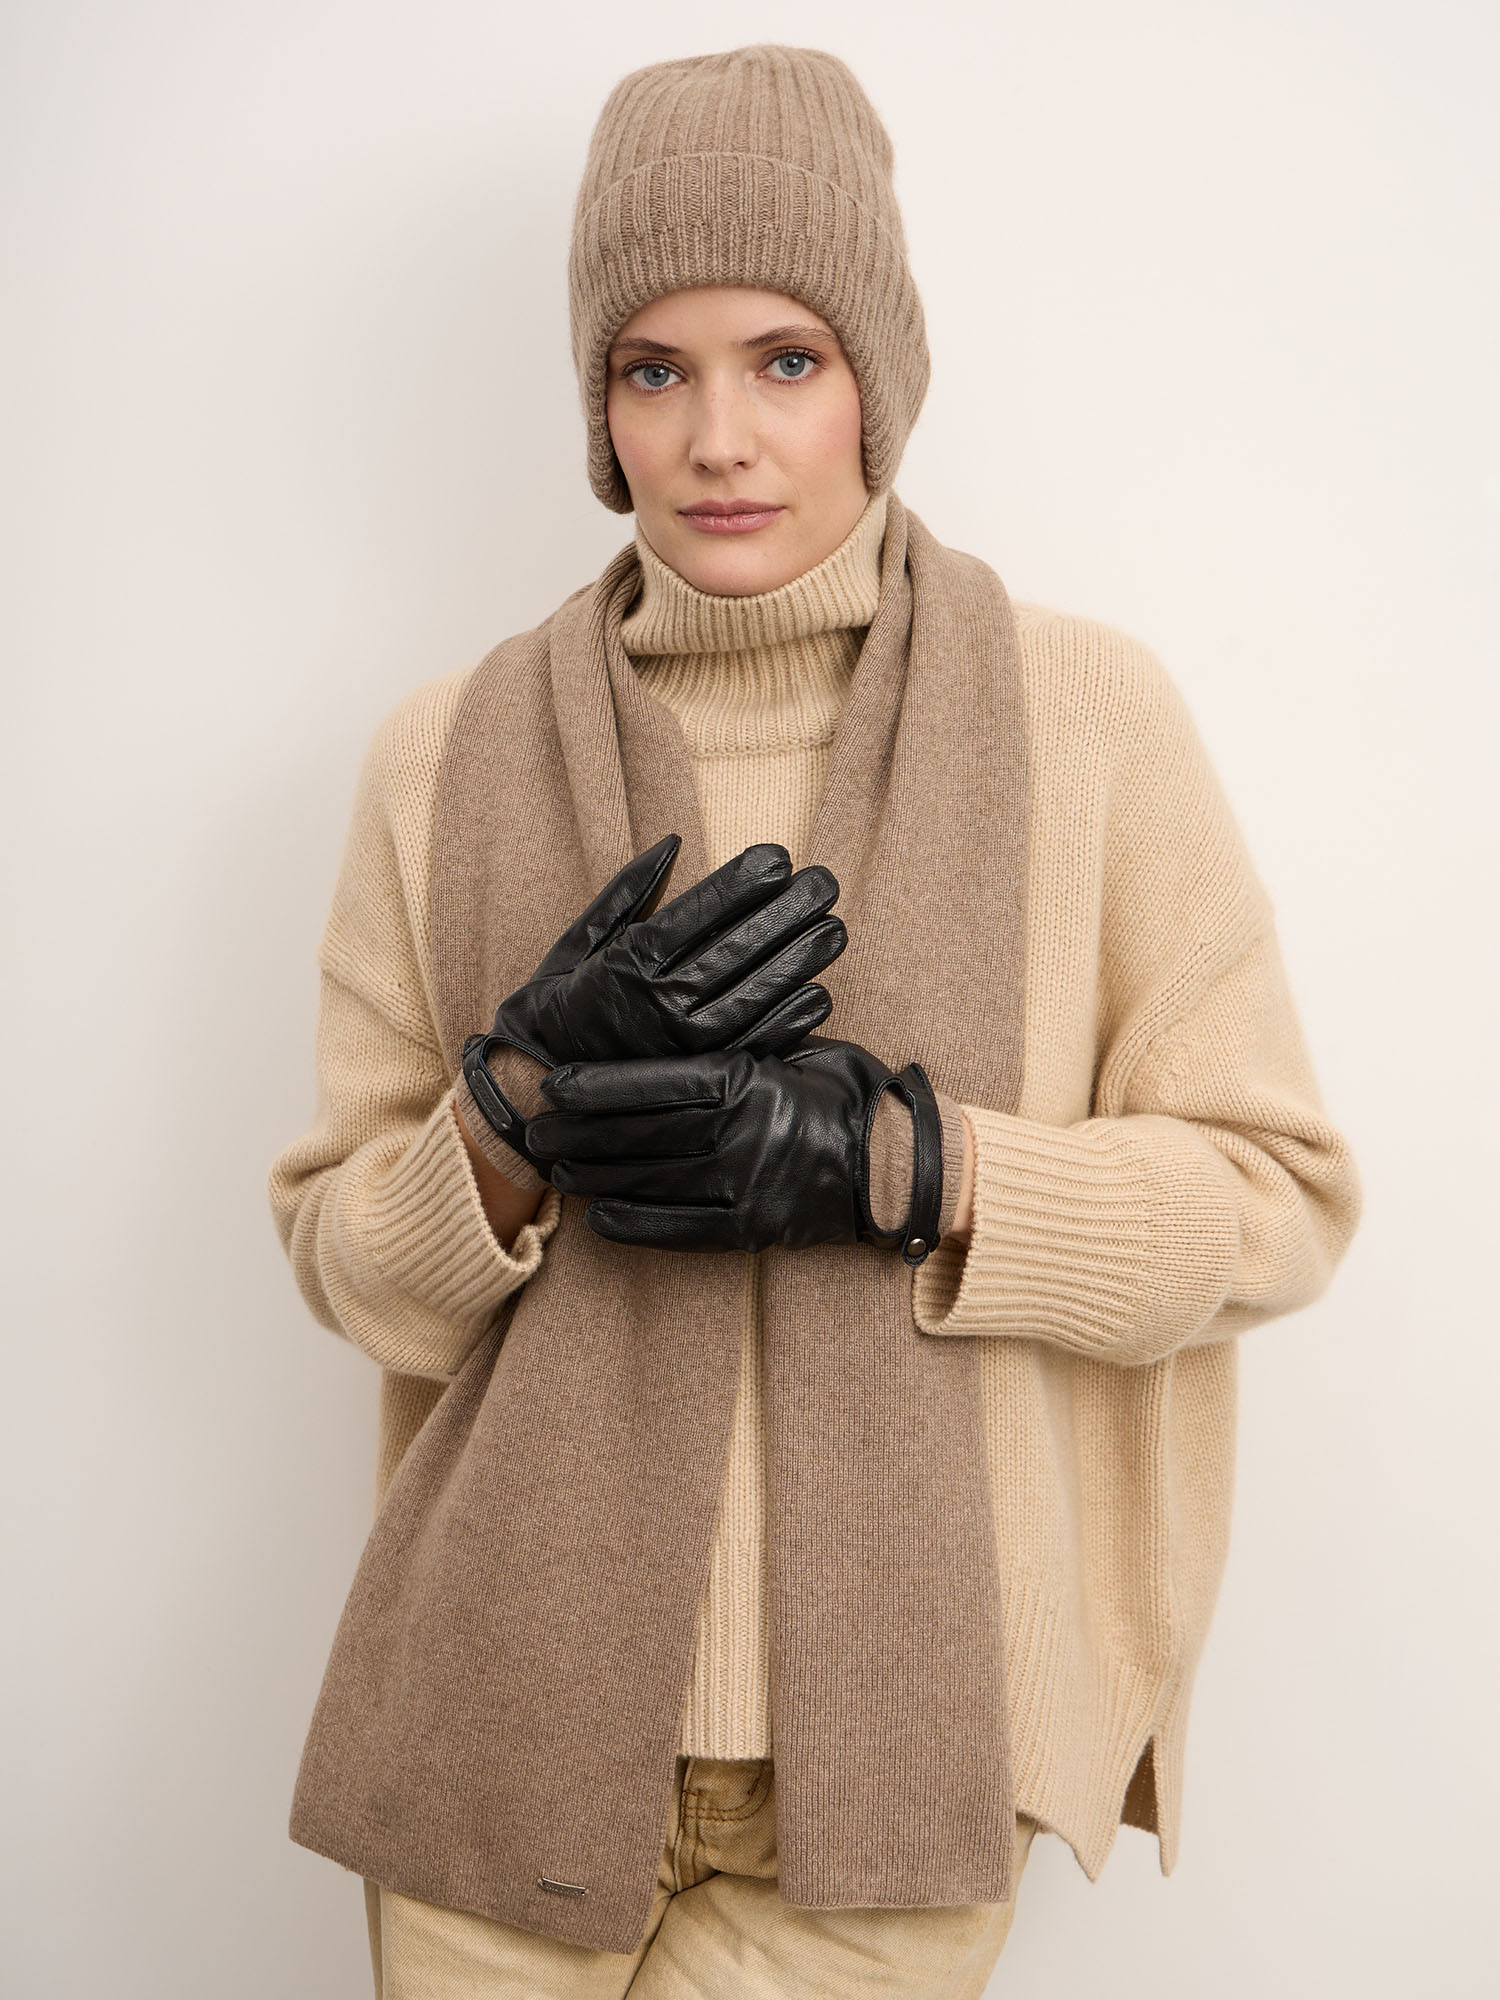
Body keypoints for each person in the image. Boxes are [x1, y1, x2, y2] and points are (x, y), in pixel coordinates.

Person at [267, 42, 1363, 2000]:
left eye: (785, 359)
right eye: (654, 370)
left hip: (897, 1771)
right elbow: (353, 1272)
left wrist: (908, 1165)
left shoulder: (1086, 723)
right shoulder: (442, 759)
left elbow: (1280, 1203)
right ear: (600, 408)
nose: (719, 438)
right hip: (497, 1733)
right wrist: (507, 1118)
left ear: (880, 377)